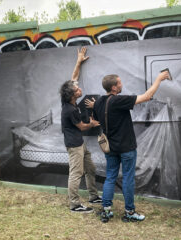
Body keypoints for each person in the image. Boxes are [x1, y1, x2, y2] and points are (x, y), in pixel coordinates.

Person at [91, 71, 169, 223]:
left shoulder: (99, 102)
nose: (121, 85)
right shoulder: (118, 100)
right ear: (113, 88)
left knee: (110, 177)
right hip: (126, 147)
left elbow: (96, 120)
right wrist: (159, 79)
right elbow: (146, 97)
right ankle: (129, 212)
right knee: (127, 179)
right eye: (119, 83)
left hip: (110, 148)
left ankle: (106, 211)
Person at [59, 47, 101, 213]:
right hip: (74, 144)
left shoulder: (69, 102)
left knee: (90, 169)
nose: (80, 89)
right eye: (77, 90)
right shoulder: (69, 110)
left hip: (79, 143)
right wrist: (92, 124)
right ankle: (75, 204)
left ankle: (93, 196)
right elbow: (82, 127)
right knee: (76, 173)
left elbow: (74, 77)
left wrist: (79, 61)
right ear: (72, 95)